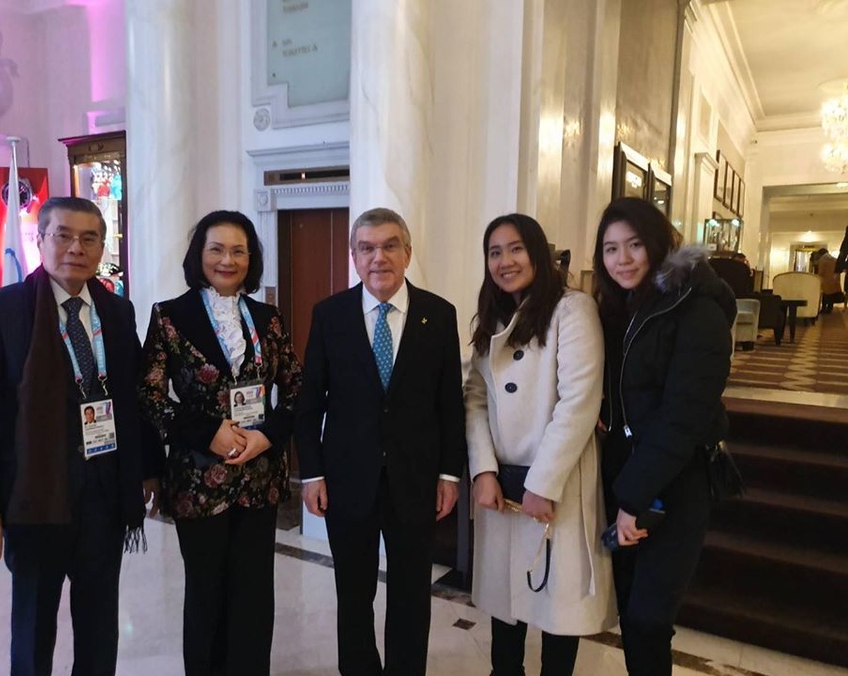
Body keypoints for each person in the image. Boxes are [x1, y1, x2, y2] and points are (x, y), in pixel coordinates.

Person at [0, 196, 162, 676]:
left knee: (99, 624)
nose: (76, 248)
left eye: (89, 238)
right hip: (34, 500)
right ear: (40, 239)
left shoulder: (116, 310)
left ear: (102, 246)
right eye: (63, 235)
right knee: (33, 625)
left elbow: (132, 399)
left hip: (104, 498)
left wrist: (147, 468)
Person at [295, 207, 466, 675]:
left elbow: (450, 402)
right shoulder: (330, 316)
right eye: (366, 248)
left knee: (412, 593)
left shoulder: (438, 314)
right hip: (348, 481)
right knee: (353, 593)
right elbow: (309, 403)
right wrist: (311, 472)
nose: (378, 257)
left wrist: (450, 473)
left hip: (415, 482)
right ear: (353, 257)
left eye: (390, 245)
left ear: (407, 253)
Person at [138, 210, 302, 676]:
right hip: (198, 480)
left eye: (238, 250)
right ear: (199, 255)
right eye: (217, 249)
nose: (227, 259)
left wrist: (267, 435)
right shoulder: (170, 316)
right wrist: (205, 431)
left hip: (259, 477)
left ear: (251, 259)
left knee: (254, 592)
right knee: (206, 590)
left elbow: (296, 389)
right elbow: (147, 394)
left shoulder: (268, 319)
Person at [465, 214, 617, 676]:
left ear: (537, 252)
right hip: (502, 482)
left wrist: (543, 483)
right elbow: (474, 398)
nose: (505, 261)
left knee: (558, 603)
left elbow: (579, 401)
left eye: (516, 249)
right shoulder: (492, 315)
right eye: (495, 252)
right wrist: (483, 470)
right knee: (505, 600)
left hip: (557, 479)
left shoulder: (572, 309)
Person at [593, 197, 735, 675]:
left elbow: (683, 417)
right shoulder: (622, 308)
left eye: (634, 244)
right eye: (611, 249)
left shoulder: (698, 309)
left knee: (650, 617)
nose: (623, 258)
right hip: (629, 474)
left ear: (658, 243)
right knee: (634, 613)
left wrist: (631, 498)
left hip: (678, 481)